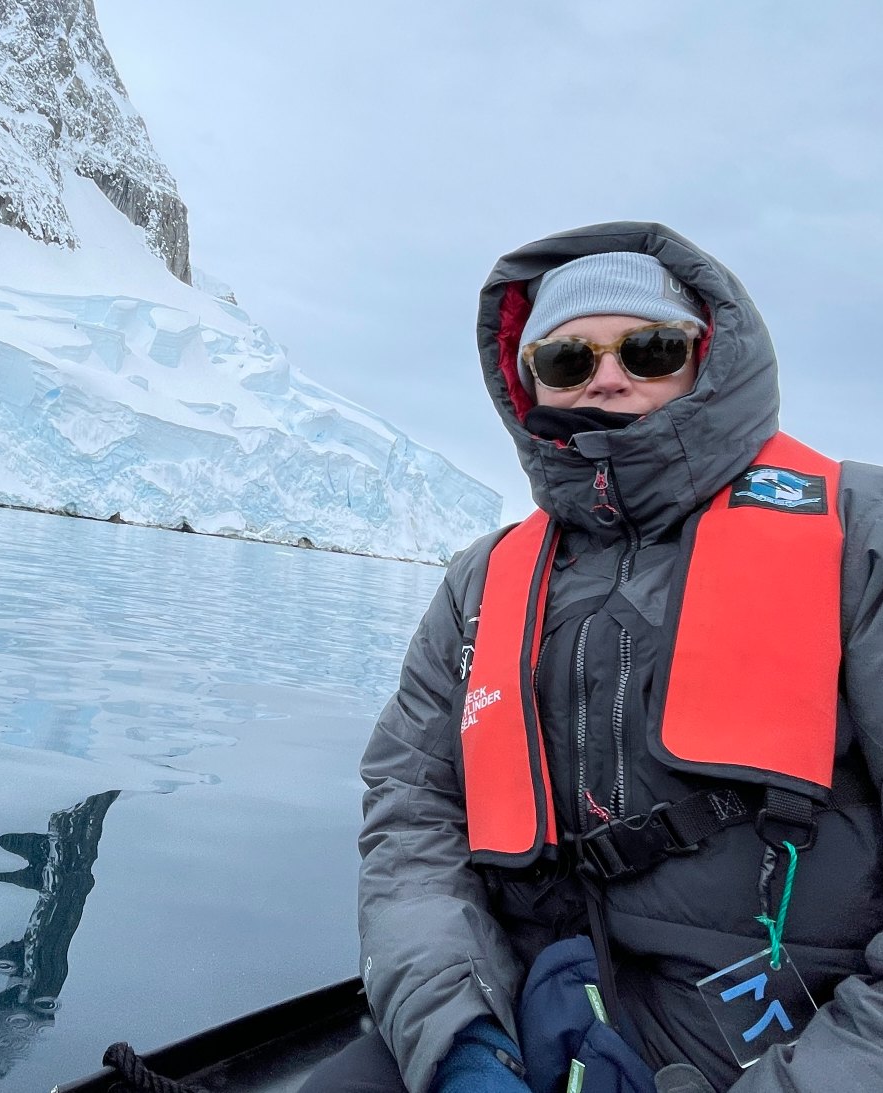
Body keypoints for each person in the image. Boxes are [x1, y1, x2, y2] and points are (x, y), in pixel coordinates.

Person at [302, 223, 883, 1093]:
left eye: (648, 348)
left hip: (792, 1037)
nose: (606, 377)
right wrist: (459, 1038)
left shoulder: (857, 536)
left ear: (705, 358)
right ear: (528, 381)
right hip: (526, 1006)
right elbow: (412, 813)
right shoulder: (483, 580)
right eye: (569, 360)